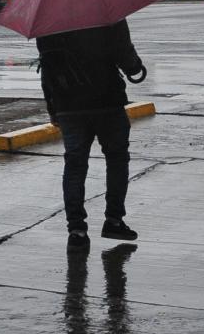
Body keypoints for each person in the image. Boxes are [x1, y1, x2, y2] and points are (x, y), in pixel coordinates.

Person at [36, 19, 145, 251]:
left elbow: (47, 66)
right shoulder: (106, 12)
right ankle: (114, 220)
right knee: (116, 159)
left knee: (75, 165)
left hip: (68, 104)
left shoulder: (48, 19)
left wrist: (52, 107)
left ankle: (77, 230)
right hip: (107, 101)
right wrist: (135, 67)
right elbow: (124, 53)